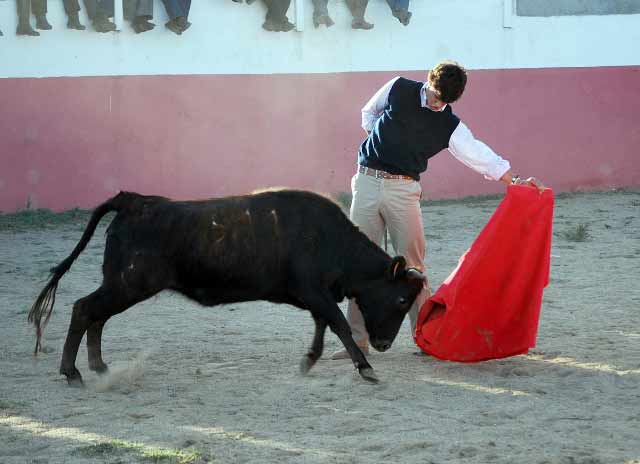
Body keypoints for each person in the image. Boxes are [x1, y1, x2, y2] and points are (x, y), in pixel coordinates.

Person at [331, 60, 544, 359]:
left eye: (443, 101)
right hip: (366, 181)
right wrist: (380, 138)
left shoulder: (449, 124)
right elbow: (369, 112)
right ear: (428, 81)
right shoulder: (399, 87)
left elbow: (477, 154)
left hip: (404, 190)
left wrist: (515, 179)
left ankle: (426, 339)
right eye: (434, 96)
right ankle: (357, 340)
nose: (436, 104)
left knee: (413, 267)